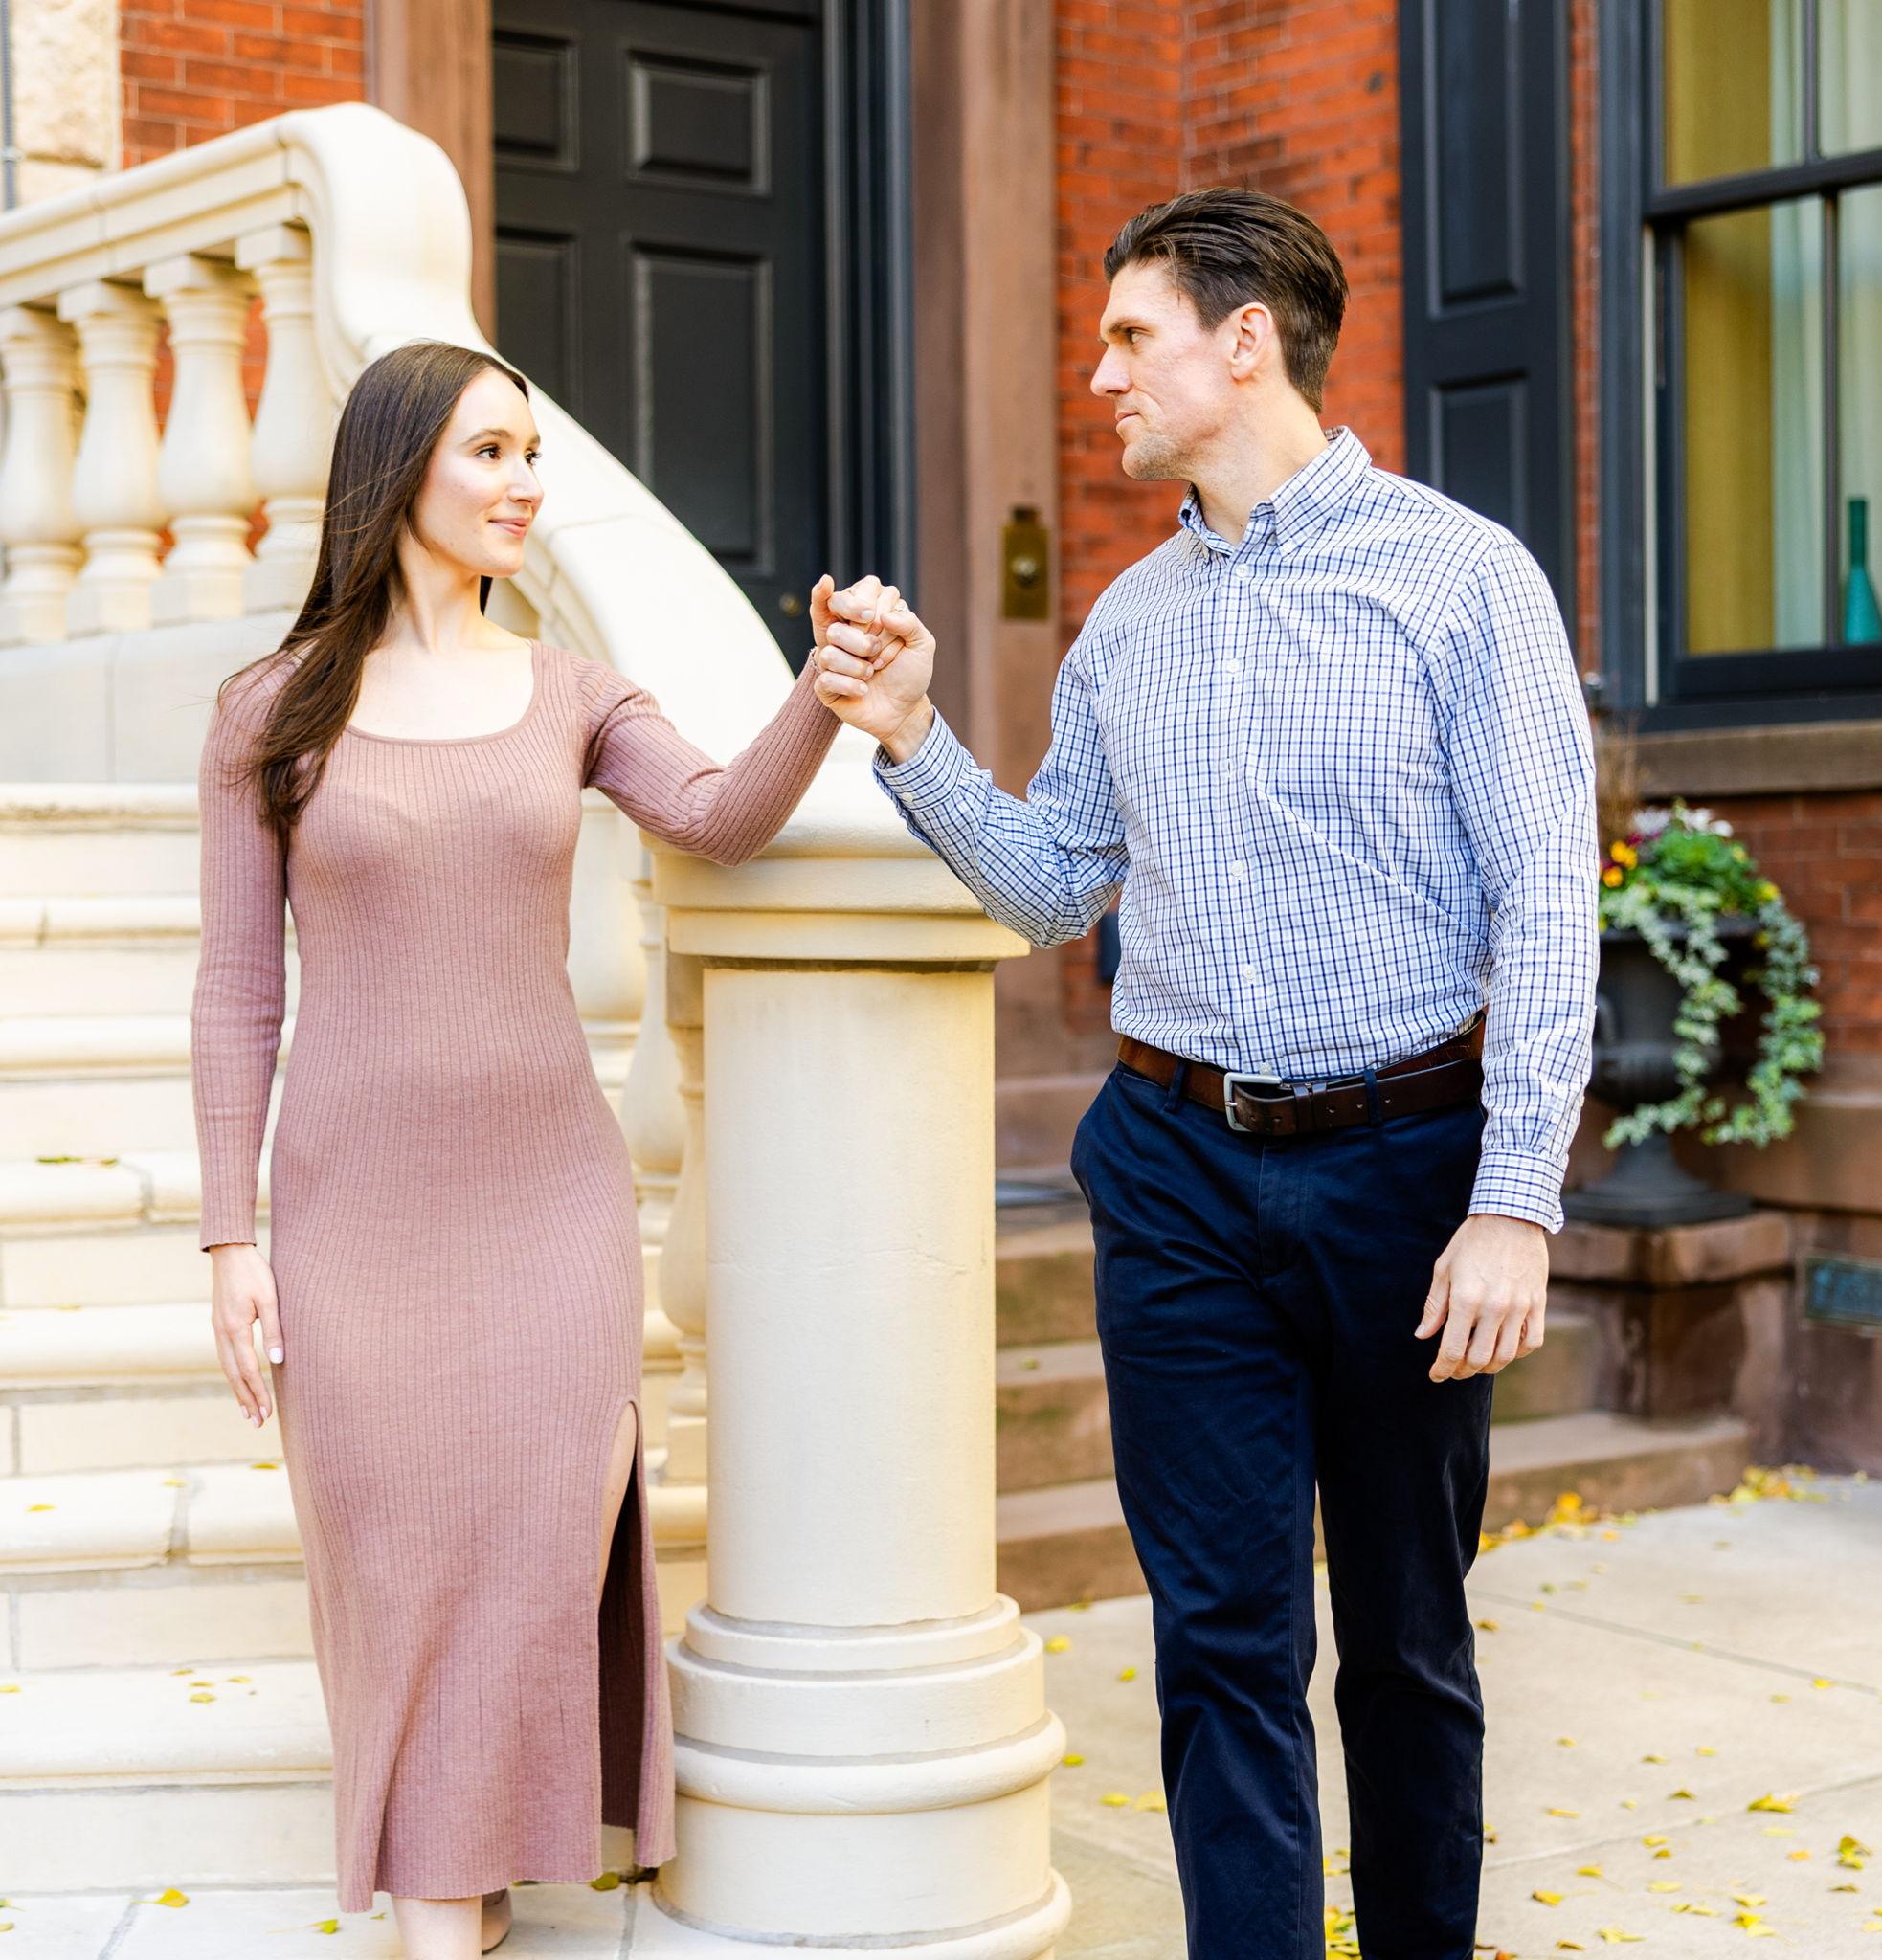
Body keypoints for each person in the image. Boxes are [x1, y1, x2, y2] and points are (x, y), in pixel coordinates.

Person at [809, 189, 1599, 1958]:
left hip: (1406, 1175)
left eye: (1128, 338)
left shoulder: (1464, 581)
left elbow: (1549, 905)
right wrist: (915, 732)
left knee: (1404, 1637)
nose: (1099, 376)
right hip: (1171, 1168)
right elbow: (1052, 889)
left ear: (1246, 342)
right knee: (1220, 1641)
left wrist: (1515, 1202)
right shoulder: (1126, 622)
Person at [190, 340, 850, 1960]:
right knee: (398, 1561)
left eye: (533, 454)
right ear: (399, 466)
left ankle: (452, 1903)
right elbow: (237, 990)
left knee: (528, 1556)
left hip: (551, 1213)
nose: (525, 483)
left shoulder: (571, 694)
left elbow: (718, 816)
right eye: (490, 451)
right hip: (352, 1222)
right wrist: (227, 1237)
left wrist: (823, 692)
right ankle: (448, 1895)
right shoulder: (269, 712)